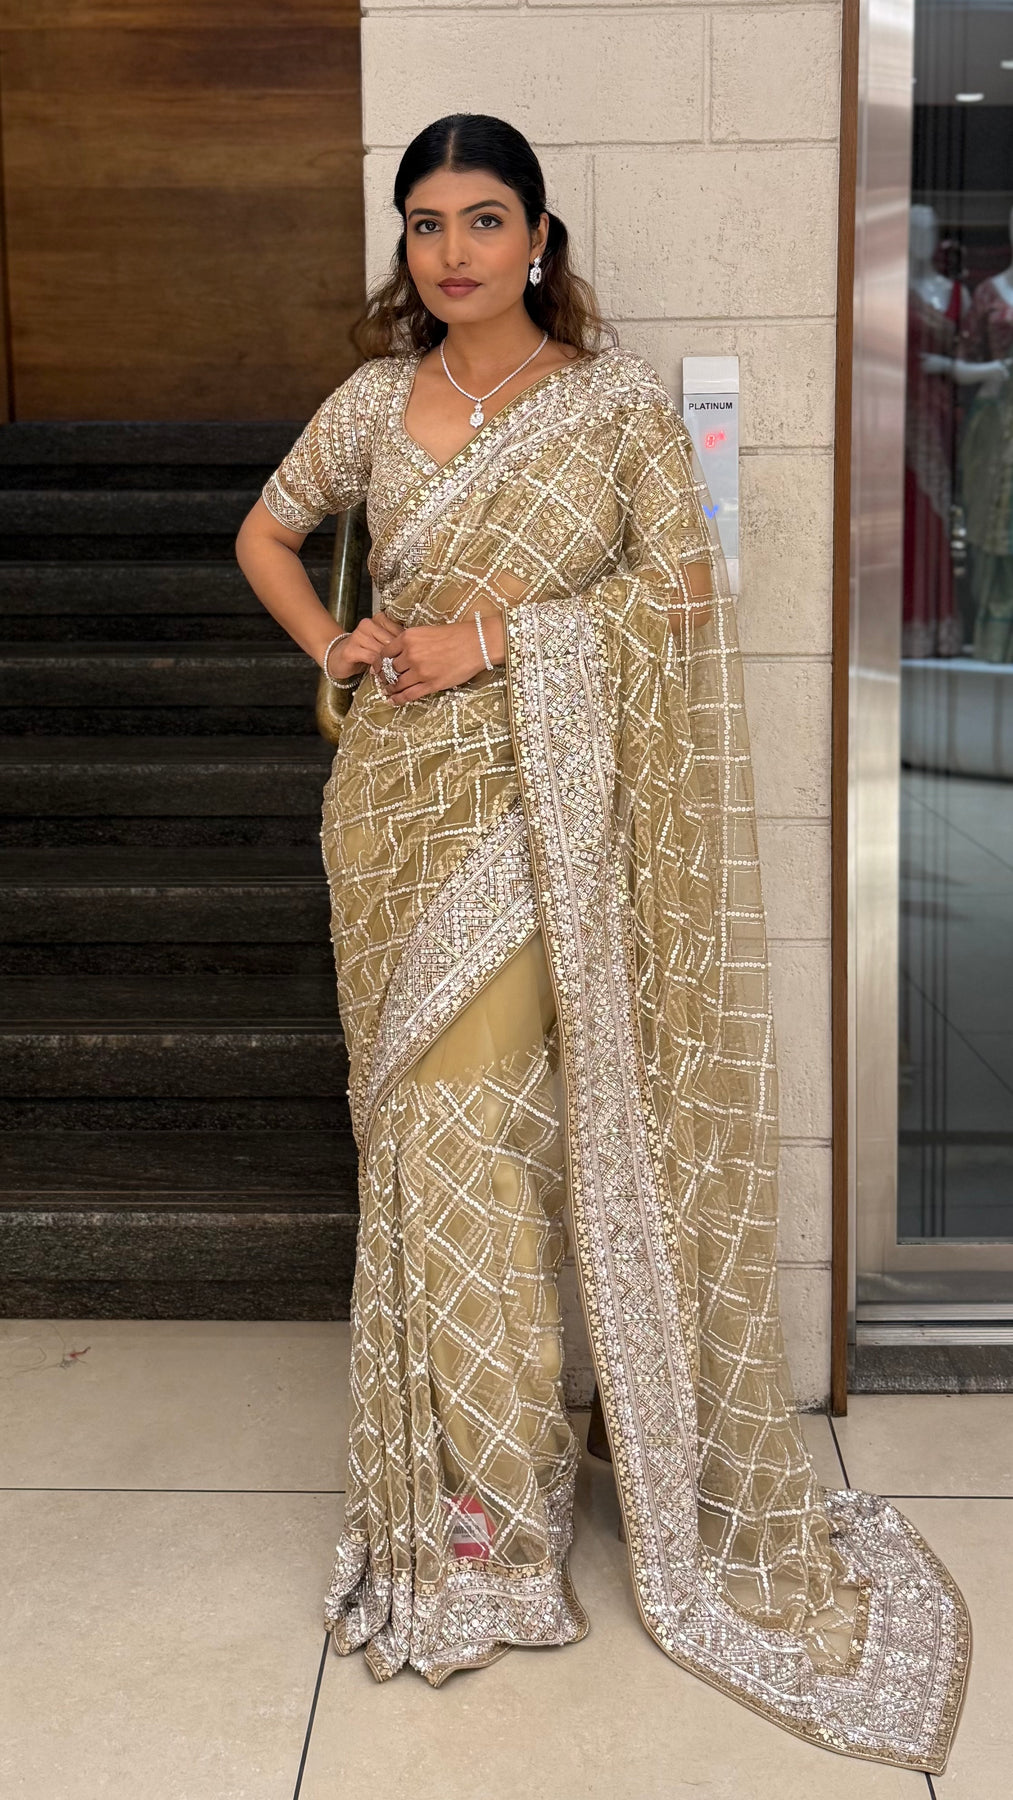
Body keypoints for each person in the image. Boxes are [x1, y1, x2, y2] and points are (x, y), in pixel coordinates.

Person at [235, 113, 969, 1772]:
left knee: (469, 1138)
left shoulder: (613, 405)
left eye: (484, 219)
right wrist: (339, 645)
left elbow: (683, 590)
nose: (452, 252)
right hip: (390, 816)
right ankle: (467, 1483)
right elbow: (263, 535)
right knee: (424, 1143)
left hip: (543, 821)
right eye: (426, 223)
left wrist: (493, 637)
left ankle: (498, 1513)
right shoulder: (369, 405)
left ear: (540, 239)